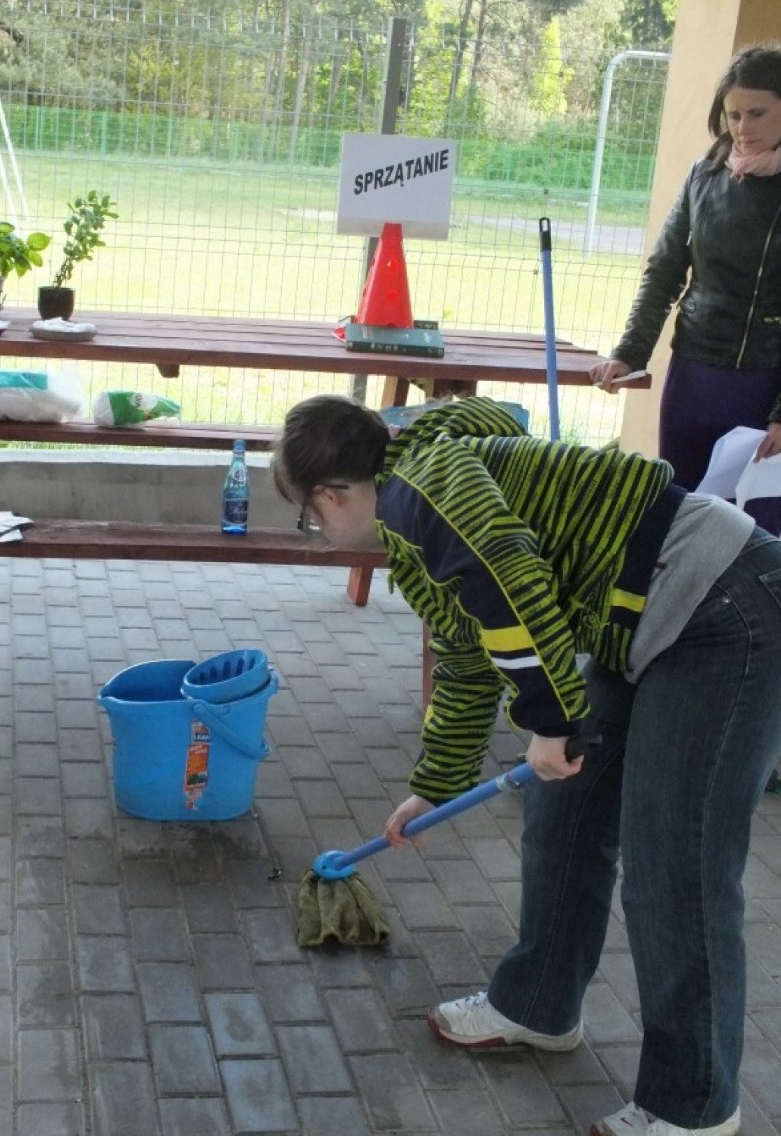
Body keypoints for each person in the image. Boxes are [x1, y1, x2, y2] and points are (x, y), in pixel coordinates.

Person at [272, 392, 781, 1136]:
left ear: (334, 492)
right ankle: (537, 1004)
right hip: (637, 612)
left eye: (310, 516)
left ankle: (692, 1106)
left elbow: (506, 576)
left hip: (724, 607)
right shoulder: (416, 512)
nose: (319, 534)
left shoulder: (424, 491)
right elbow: (472, 654)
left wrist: (550, 719)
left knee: (676, 864)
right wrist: (433, 786)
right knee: (563, 812)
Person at [589, 42, 781, 536]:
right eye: (733, 114)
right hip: (694, 372)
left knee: (754, 527)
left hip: (767, 381)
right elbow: (665, 271)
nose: (743, 127)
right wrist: (629, 353)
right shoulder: (704, 174)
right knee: (678, 513)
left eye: (757, 113)